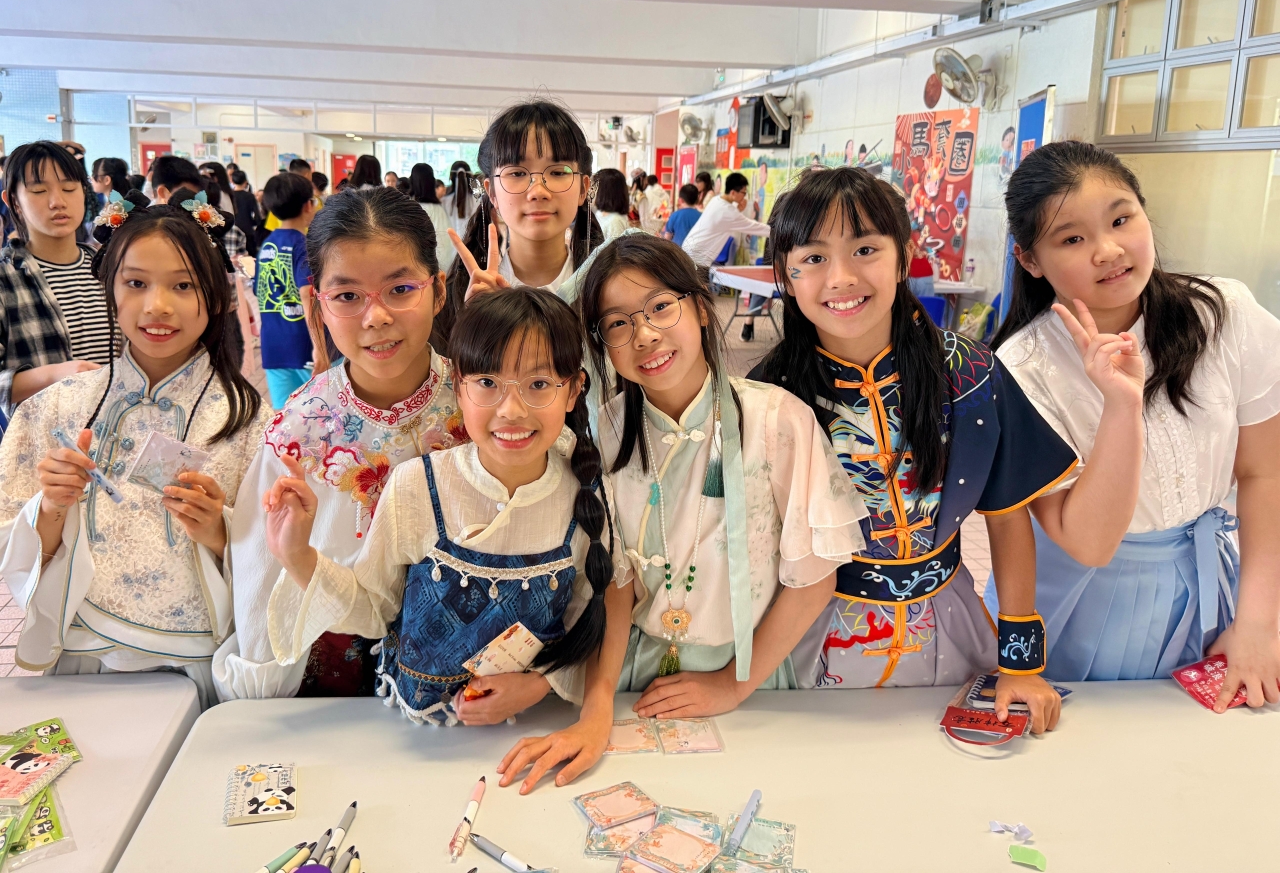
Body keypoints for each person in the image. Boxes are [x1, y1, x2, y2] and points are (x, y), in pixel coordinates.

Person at [751, 167, 1111, 733]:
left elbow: (1007, 514)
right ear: (786, 274)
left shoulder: (970, 373)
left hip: (950, 618)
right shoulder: (767, 396)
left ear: (904, 257)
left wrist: (1020, 663)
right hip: (808, 630)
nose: (841, 278)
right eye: (814, 258)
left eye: (865, 249)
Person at [261, 288, 627, 748]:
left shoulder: (586, 491)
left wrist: (540, 684)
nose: (511, 410)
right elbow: (374, 610)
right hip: (412, 735)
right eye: (488, 382)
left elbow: (589, 614)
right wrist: (297, 554)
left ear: (573, 390)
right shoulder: (417, 485)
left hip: (535, 729)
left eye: (538, 385)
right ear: (458, 386)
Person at [992, 141, 1280, 708]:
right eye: (1072, 239)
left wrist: (1257, 622)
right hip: (1082, 604)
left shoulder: (1223, 313)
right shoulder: (1020, 370)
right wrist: (1121, 407)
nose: (1108, 250)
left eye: (1121, 219)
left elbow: (1264, 475)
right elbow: (1090, 544)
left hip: (1211, 587)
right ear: (1030, 260)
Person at [566, 234, 867, 720]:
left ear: (702, 307)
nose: (644, 335)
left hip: (747, 675)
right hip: (631, 671)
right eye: (618, 323)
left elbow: (813, 579)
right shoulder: (607, 431)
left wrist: (731, 686)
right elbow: (616, 580)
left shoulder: (777, 420)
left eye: (660, 307)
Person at [0, 190, 268, 707]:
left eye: (183, 285)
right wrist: (50, 507)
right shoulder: (55, 410)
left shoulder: (250, 422)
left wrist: (218, 531)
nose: (157, 306)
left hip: (200, 662)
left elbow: (278, 562)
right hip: (82, 652)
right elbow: (12, 543)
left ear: (216, 297)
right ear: (110, 288)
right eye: (136, 283)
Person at [215, 187, 467, 700]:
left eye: (400, 289)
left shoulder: (479, 403)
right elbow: (260, 566)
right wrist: (260, 689)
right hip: (336, 678)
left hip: (467, 668)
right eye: (348, 297)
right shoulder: (300, 428)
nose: (376, 317)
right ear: (319, 306)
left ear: (438, 291)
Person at [436, 99, 603, 355]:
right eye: (517, 173)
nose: (538, 191)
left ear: (583, 188)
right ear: (491, 192)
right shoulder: (456, 299)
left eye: (558, 172)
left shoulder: (607, 289)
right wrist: (475, 327)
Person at [0, 141, 108, 419]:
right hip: (43, 437)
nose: (57, 201)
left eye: (69, 188)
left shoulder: (110, 270)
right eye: (39, 191)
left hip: (120, 430)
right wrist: (55, 375)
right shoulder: (5, 277)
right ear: (13, 202)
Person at [255, 172, 320, 408]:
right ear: (308, 205)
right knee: (318, 412)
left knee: (284, 415)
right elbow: (307, 294)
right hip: (303, 345)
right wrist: (320, 348)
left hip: (273, 346)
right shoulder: (303, 246)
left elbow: (260, 292)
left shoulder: (267, 245)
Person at [681, 172, 767, 268]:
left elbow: (724, 218)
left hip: (690, 251)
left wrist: (737, 210)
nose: (744, 196)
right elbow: (754, 227)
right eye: (743, 193)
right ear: (733, 193)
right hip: (698, 258)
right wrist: (776, 230)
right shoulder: (729, 212)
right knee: (699, 278)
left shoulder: (716, 200)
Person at [409, 162, 451, 271]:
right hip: (440, 268)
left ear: (412, 180)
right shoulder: (439, 209)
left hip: (417, 268)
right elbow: (446, 245)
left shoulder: (410, 208)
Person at [592, 168, 631, 241]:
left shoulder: (615, 221)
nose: (592, 190)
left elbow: (615, 247)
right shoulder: (599, 213)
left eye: (595, 186)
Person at [230, 170, 261, 248]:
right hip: (248, 230)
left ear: (232, 181)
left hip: (233, 230)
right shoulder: (250, 196)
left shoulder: (230, 196)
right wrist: (254, 223)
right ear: (245, 181)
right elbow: (257, 215)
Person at [442, 160, 474, 231]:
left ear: (450, 177)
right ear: (471, 177)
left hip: (449, 238)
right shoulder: (478, 201)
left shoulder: (443, 201)